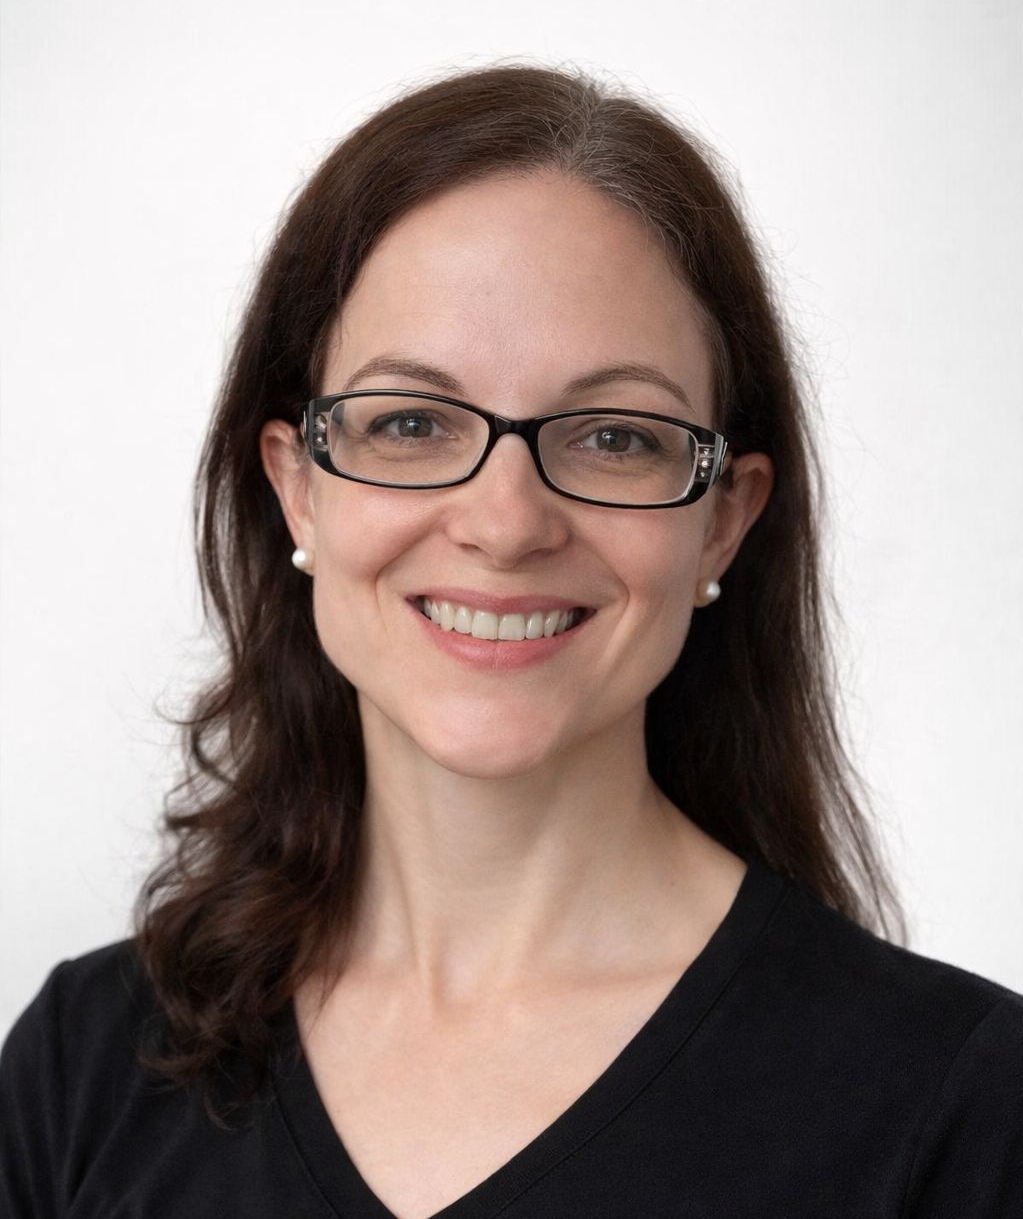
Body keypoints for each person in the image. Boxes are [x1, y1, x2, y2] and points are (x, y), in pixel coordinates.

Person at [1, 62, 1020, 1219]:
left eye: (613, 437)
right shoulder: (81, 1070)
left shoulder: (962, 1102)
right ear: (298, 491)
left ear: (722, 520)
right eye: (411, 422)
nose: (506, 523)